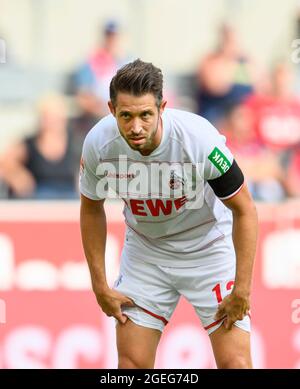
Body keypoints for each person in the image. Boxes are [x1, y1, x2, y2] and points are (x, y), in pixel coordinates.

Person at [79, 59, 258, 369]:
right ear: (111, 109)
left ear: (163, 107)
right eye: (126, 116)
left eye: (146, 115)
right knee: (131, 366)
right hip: (146, 255)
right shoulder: (98, 144)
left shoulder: (198, 139)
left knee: (236, 364)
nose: (136, 127)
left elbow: (244, 209)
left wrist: (242, 287)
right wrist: (100, 286)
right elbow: (91, 209)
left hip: (208, 252)